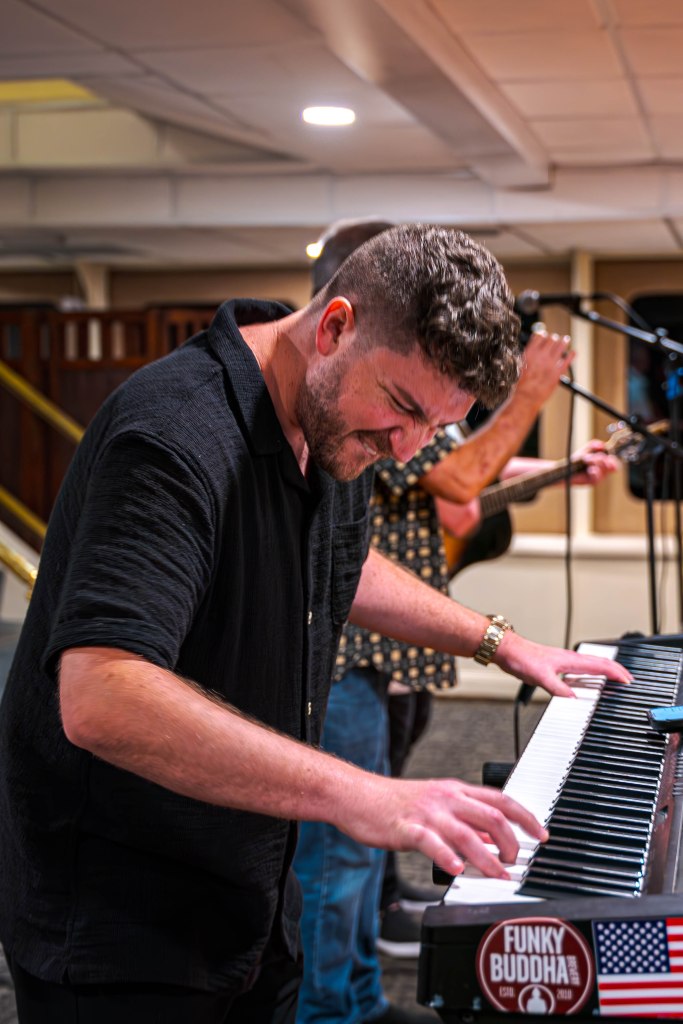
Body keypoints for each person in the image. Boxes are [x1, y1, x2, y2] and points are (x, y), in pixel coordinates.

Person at [0, 224, 630, 1024]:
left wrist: (497, 642)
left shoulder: (331, 418)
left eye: (432, 427)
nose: (404, 448)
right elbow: (102, 694)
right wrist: (358, 793)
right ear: (334, 327)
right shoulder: (170, 435)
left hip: (248, 879)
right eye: (402, 408)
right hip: (120, 917)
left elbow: (344, 561)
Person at [293, 220, 620, 1024]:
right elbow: (456, 480)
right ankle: (332, 1009)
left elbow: (457, 477)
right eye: (408, 413)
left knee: (363, 845)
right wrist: (529, 396)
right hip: (345, 650)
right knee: (338, 852)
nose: (407, 442)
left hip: (386, 640)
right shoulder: (342, 407)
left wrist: (558, 470)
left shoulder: (390, 401)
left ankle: (357, 996)